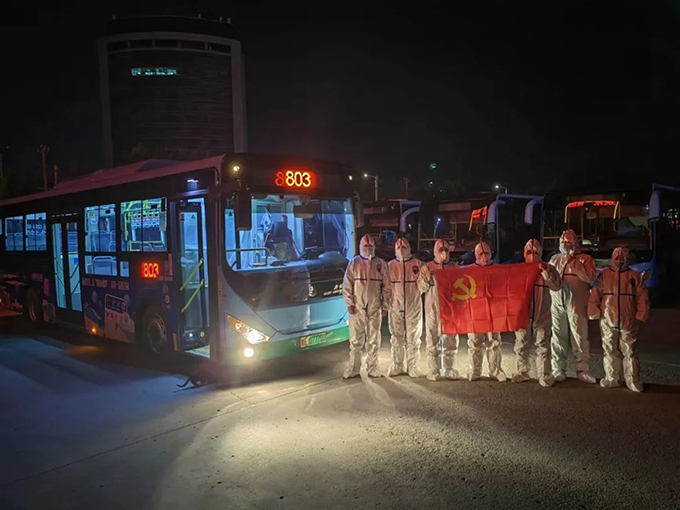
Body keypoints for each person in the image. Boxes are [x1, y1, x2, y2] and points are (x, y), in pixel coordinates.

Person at [588, 247, 650, 392]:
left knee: (630, 352)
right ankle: (612, 378)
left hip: (628, 320)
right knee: (609, 350)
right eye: (617, 257)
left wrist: (641, 315)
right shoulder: (604, 275)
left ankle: (633, 380)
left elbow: (642, 297)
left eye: (622, 258)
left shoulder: (634, 276)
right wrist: (594, 311)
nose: (620, 260)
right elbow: (595, 294)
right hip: (608, 319)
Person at [549, 229, 598, 383]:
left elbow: (590, 277)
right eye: (563, 242)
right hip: (557, 302)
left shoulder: (585, 259)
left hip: (577, 303)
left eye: (568, 242)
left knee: (579, 335)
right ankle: (558, 369)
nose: (565, 245)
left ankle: (582, 369)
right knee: (558, 336)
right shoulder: (555, 259)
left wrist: (575, 265)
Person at [512, 239, 562, 387]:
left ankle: (544, 374)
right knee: (521, 344)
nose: (532, 255)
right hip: (523, 314)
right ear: (524, 253)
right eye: (529, 252)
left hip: (542, 314)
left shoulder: (549, 268)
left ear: (540, 253)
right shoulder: (518, 269)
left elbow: (557, 286)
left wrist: (547, 275)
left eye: (535, 252)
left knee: (543, 345)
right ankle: (522, 371)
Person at [342, 234, 390, 379]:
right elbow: (347, 285)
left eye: (370, 246)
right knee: (356, 341)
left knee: (374, 340)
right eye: (365, 246)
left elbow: (387, 287)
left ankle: (373, 368)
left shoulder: (380, 264)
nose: (368, 248)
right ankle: (354, 369)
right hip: (358, 308)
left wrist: (385, 305)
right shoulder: (354, 263)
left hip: (375, 308)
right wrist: (349, 303)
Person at [417, 239, 460, 381]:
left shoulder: (454, 267)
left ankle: (449, 368)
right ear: (435, 251)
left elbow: (461, 287)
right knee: (432, 339)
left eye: (446, 250)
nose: (443, 252)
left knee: (450, 340)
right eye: (440, 250)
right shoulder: (427, 267)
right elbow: (420, 288)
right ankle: (433, 369)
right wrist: (427, 280)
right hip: (433, 308)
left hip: (450, 309)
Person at [467, 242, 507, 382]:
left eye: (486, 253)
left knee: (494, 342)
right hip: (475, 312)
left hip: (493, 312)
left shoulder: (498, 269)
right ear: (476, 255)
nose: (484, 256)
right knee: (475, 342)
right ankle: (475, 370)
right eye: (481, 253)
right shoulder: (469, 270)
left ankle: (495, 370)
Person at [387, 237, 425, 378]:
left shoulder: (418, 265)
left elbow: (422, 288)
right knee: (396, 338)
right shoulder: (390, 266)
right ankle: (397, 365)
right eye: (398, 246)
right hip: (395, 306)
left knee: (413, 338)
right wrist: (386, 304)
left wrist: (426, 281)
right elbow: (386, 288)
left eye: (404, 246)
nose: (401, 248)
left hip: (413, 306)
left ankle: (413, 366)